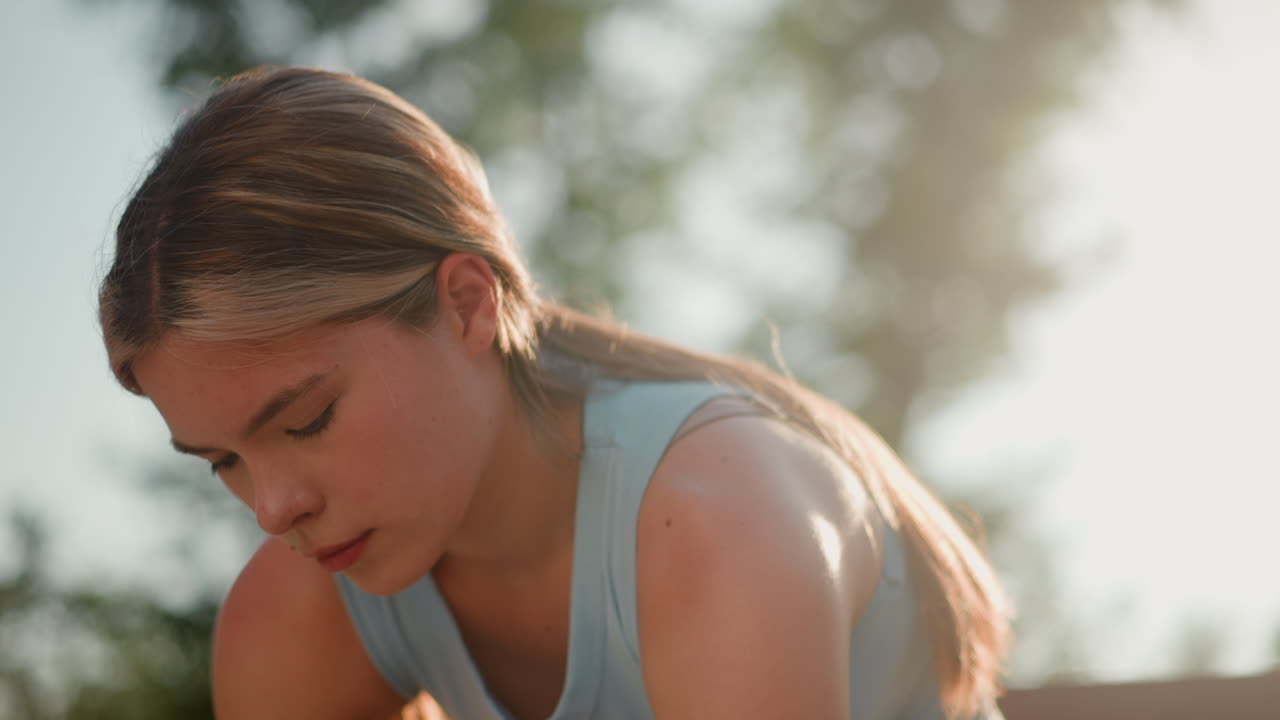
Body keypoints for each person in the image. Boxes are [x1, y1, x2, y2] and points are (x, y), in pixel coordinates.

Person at [99, 66, 1011, 720]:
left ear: (467, 304)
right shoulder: (304, 604)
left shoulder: (718, 513)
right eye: (222, 461)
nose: (273, 508)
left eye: (308, 420)